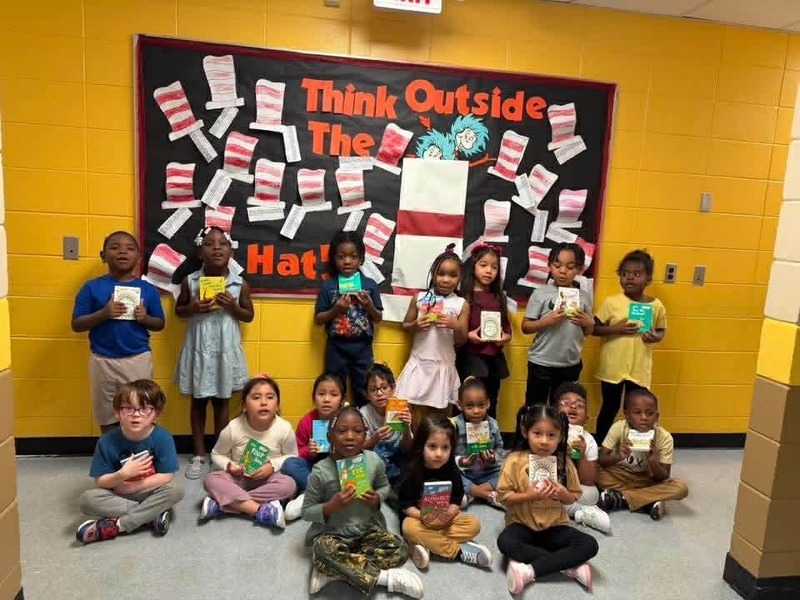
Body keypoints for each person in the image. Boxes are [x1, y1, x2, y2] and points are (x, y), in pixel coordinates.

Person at [301, 406, 423, 598]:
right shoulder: (320, 471)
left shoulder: (373, 460)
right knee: (322, 550)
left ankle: (335, 571)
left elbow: (385, 487)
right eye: (342, 431)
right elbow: (306, 511)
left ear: (366, 434)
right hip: (333, 534)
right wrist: (330, 506)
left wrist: (378, 497)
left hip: (367, 531)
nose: (350, 436)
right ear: (330, 436)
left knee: (399, 549)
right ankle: (386, 579)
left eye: (358, 431)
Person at [175, 226, 254, 479]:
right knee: (198, 402)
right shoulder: (190, 281)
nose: (217, 247)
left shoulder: (239, 284)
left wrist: (232, 306)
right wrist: (194, 306)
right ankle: (198, 454)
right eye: (209, 243)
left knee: (222, 402)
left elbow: (249, 315)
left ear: (231, 251)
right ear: (200, 252)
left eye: (223, 244)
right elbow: (179, 311)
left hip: (224, 351)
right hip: (201, 349)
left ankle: (219, 453)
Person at [497, 404, 599, 594]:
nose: (544, 441)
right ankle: (569, 566)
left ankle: (529, 570)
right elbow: (504, 497)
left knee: (589, 544)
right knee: (506, 542)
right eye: (537, 433)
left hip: (555, 526)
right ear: (525, 431)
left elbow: (573, 497)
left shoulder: (564, 462)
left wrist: (563, 494)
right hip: (522, 525)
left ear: (561, 436)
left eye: (551, 435)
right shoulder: (514, 460)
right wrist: (529, 495)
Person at [71, 231, 165, 433]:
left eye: (130, 248)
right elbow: (77, 324)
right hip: (102, 360)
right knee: (106, 413)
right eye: (114, 247)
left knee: (140, 410)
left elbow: (160, 323)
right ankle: (113, 457)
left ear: (139, 258)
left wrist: (145, 319)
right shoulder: (91, 288)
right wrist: (104, 313)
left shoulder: (148, 289)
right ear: (103, 255)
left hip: (137, 359)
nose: (122, 251)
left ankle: (139, 455)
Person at [76, 380, 184, 543]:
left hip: (149, 490)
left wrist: (134, 486)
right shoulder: (106, 441)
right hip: (118, 492)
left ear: (156, 413)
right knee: (87, 500)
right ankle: (151, 515)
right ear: (117, 413)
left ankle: (118, 525)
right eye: (128, 408)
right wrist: (123, 474)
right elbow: (101, 481)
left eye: (145, 409)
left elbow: (166, 476)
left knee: (175, 490)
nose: (136, 414)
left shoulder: (163, 437)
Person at [199, 374, 297, 529]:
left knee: (289, 484)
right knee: (210, 480)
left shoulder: (284, 428)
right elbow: (217, 454)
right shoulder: (234, 427)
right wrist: (230, 466)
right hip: (239, 479)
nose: (264, 402)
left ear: (277, 405)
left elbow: (292, 456)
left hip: (269, 479)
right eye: (256, 397)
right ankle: (260, 510)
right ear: (244, 406)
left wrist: (272, 465)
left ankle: (223, 504)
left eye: (270, 397)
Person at [398, 413, 492, 570]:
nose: (439, 454)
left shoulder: (451, 468)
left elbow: (456, 498)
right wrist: (422, 515)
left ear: (451, 449)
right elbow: (405, 505)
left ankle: (426, 543)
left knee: (474, 525)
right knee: (408, 528)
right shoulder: (412, 469)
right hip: (418, 519)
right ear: (422, 446)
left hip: (443, 519)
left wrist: (451, 512)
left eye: (445, 447)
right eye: (432, 446)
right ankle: (457, 551)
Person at [593, 249, 667, 443]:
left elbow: (661, 330)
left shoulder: (656, 305)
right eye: (625, 274)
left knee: (638, 409)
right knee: (609, 407)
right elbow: (594, 329)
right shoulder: (612, 302)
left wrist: (655, 337)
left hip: (638, 367)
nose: (629, 278)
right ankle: (602, 445)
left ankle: (636, 448)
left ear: (648, 278)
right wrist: (615, 329)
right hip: (613, 368)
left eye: (636, 274)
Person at [396, 243, 469, 429]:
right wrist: (415, 325)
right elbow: (406, 326)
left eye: (453, 275)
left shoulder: (461, 304)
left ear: (460, 278)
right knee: (408, 411)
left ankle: (438, 449)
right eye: (441, 274)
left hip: (443, 365)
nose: (446, 279)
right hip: (419, 362)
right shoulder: (419, 298)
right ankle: (412, 447)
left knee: (440, 416)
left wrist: (456, 325)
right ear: (433, 274)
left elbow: (462, 340)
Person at [596, 388, 688, 521]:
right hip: (619, 475)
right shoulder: (619, 427)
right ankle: (647, 501)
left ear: (657, 417)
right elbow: (601, 460)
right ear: (626, 414)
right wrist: (618, 456)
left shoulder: (665, 438)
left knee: (681, 488)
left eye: (650, 413)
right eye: (637, 413)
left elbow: (663, 477)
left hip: (647, 480)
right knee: (594, 474)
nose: (644, 417)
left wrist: (653, 462)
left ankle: (621, 499)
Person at [314, 231, 383, 407]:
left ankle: (363, 427)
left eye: (353, 256)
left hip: (362, 346)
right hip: (336, 346)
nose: (347, 261)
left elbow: (378, 317)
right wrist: (336, 309)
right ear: (333, 259)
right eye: (341, 256)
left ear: (361, 259)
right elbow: (319, 318)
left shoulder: (369, 285)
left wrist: (368, 306)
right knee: (334, 388)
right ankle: (335, 427)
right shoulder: (328, 286)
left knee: (364, 389)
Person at [522, 242, 593, 407]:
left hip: (570, 364)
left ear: (579, 269)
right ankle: (526, 433)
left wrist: (588, 323)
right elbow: (526, 327)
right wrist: (546, 321)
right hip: (541, 362)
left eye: (570, 267)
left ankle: (562, 433)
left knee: (564, 410)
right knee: (534, 407)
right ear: (549, 266)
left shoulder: (583, 297)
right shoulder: (540, 294)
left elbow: (587, 331)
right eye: (557, 265)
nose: (562, 271)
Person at [456, 242, 512, 420]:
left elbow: (506, 324)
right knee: (470, 399)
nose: (489, 271)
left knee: (490, 399)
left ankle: (488, 439)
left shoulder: (499, 296)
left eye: (494, 267)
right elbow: (457, 329)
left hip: (494, 356)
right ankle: (463, 439)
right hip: (472, 356)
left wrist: (506, 336)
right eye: (483, 265)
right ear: (473, 266)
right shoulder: (464, 295)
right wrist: (468, 336)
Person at [281, 372, 345, 520]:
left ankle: (309, 495)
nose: (327, 399)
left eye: (333, 394)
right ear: (314, 397)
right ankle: (321, 494)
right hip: (313, 468)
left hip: (336, 469)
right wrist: (309, 451)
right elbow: (296, 451)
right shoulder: (307, 421)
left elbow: (357, 449)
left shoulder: (347, 419)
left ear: (342, 400)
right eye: (321, 394)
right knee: (289, 464)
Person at [553, 382, 610, 533]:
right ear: (554, 411)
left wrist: (582, 454)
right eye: (566, 403)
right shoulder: (547, 432)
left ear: (586, 418)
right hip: (548, 483)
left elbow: (588, 480)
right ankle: (580, 512)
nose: (573, 407)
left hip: (571, 487)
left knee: (592, 494)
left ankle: (563, 510)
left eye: (579, 405)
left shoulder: (588, 440)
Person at [452, 377, 504, 508]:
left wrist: (493, 459)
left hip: (488, 473)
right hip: (464, 474)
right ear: (459, 405)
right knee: (448, 474)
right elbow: (446, 455)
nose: (476, 411)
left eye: (481, 405)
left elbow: (499, 446)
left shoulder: (492, 424)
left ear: (488, 404)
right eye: (469, 406)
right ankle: (488, 495)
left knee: (508, 473)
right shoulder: (453, 425)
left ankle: (473, 493)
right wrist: (462, 462)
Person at [360, 363, 413, 486]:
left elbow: (408, 448)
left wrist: (406, 428)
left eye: (384, 387)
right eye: (373, 390)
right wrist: (375, 438)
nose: (379, 393)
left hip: (398, 454)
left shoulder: (401, 408)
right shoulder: (364, 413)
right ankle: (397, 484)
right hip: (377, 457)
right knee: (374, 459)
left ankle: (400, 482)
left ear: (393, 389)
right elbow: (362, 448)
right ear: (367, 394)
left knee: (415, 459)